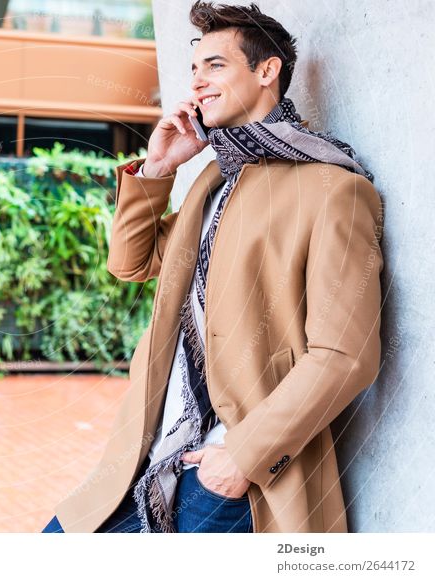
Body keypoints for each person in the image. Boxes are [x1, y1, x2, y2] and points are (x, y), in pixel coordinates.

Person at [43, 1, 383, 533]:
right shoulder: (213, 179)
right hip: (148, 456)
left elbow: (345, 354)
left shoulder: (335, 189)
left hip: (232, 477)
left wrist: (243, 456)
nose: (198, 82)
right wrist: (158, 168)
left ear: (267, 71)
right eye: (195, 68)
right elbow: (131, 264)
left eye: (216, 66)